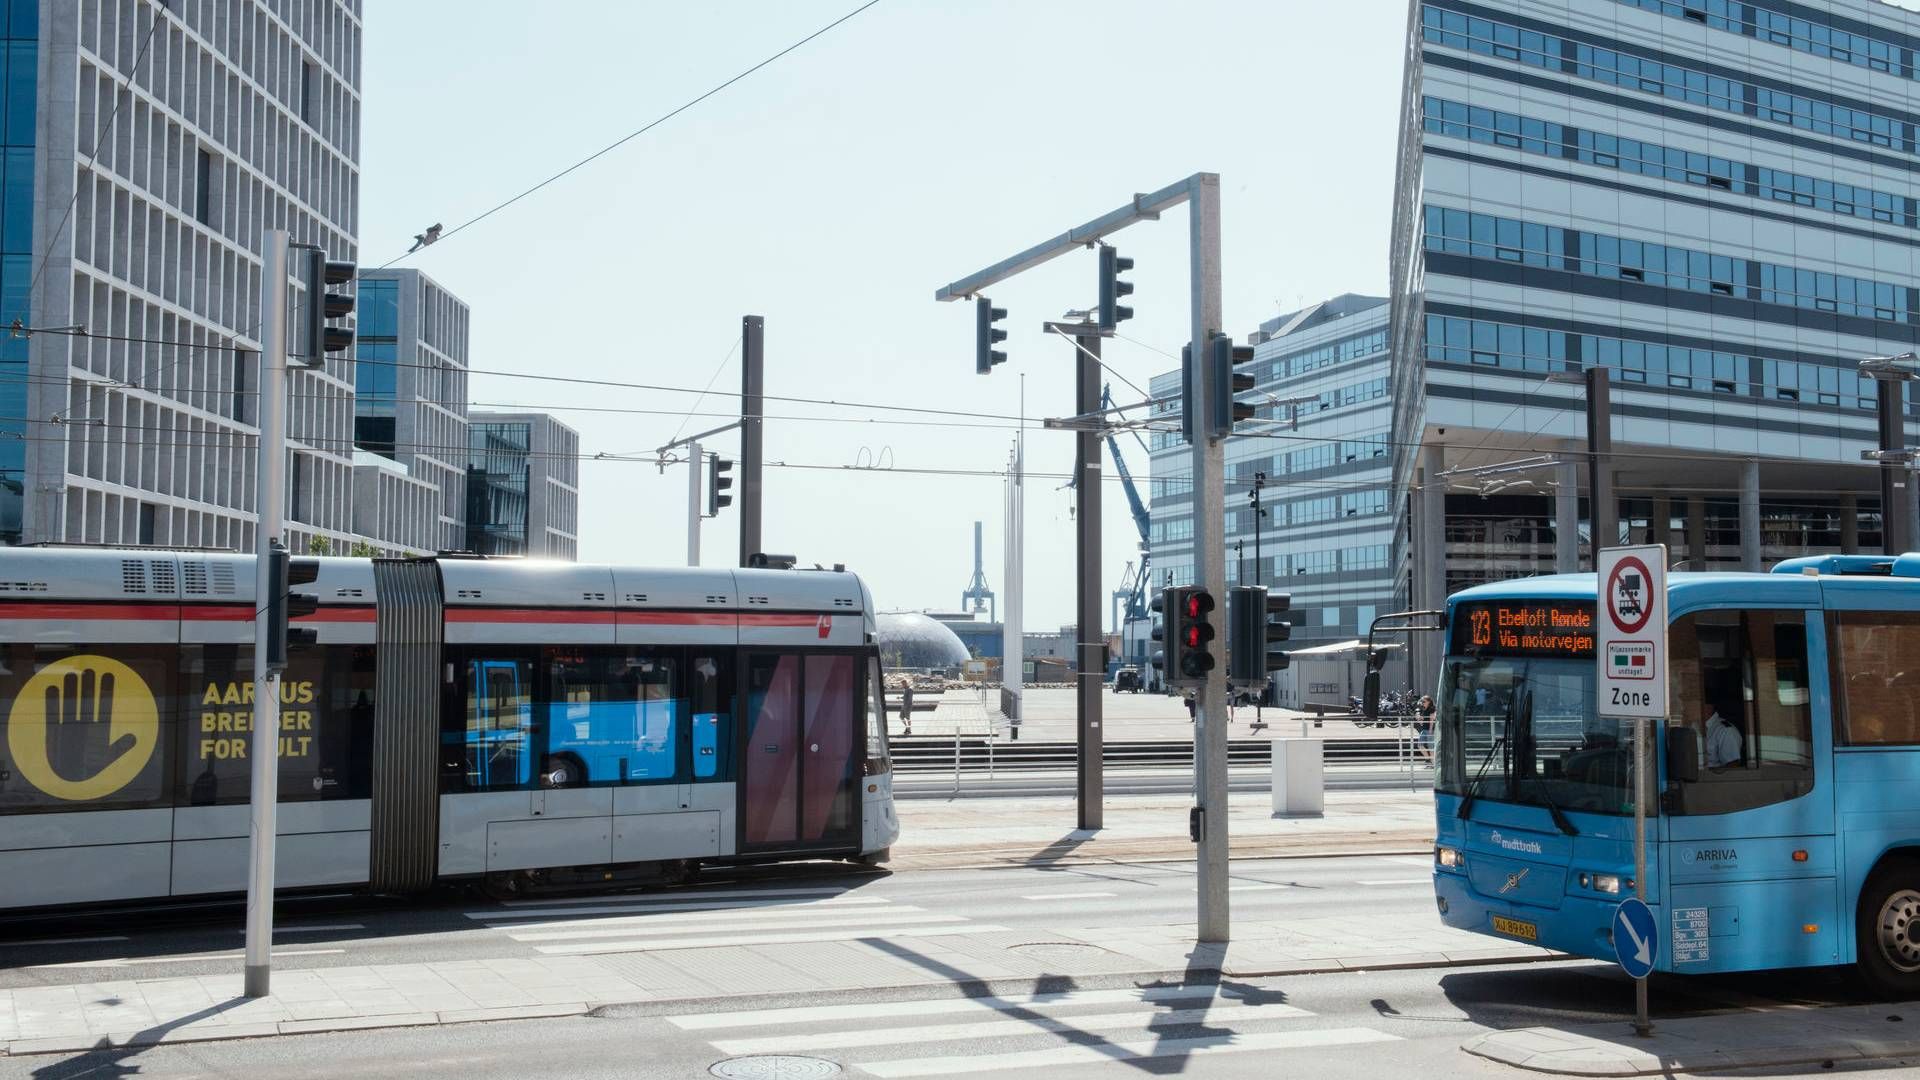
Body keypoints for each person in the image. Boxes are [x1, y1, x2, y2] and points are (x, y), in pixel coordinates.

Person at [1703, 699, 1742, 769]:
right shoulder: (1692, 726)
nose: (1684, 708)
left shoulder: (1725, 730)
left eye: (1690, 703)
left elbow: (1732, 766)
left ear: (1708, 708)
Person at [1415, 694, 1437, 762]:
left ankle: (1432, 762)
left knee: (1431, 747)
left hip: (1429, 730)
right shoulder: (1424, 709)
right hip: (1424, 729)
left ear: (1429, 702)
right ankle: (1428, 759)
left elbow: (1432, 720)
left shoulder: (1432, 709)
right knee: (1420, 745)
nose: (1422, 703)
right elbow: (1422, 721)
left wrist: (1430, 730)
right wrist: (1418, 718)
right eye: (1422, 701)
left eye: (1424, 701)